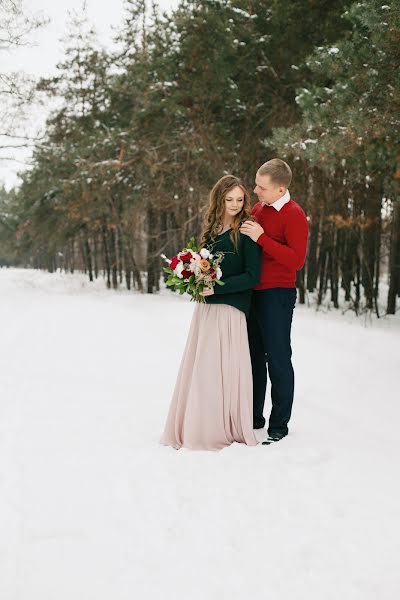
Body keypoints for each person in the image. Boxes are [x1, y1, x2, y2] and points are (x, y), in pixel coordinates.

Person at [160, 175, 262, 451]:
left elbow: (253, 276)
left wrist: (216, 289)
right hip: (206, 311)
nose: (235, 204)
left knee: (222, 369)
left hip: (231, 310)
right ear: (219, 200)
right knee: (203, 367)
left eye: (240, 199)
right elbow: (206, 267)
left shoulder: (248, 230)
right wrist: (195, 279)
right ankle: (197, 423)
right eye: (229, 199)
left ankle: (221, 425)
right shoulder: (211, 230)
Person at [240, 159, 308, 445]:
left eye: (262, 187)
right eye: (256, 184)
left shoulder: (294, 215)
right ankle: (255, 417)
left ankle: (279, 424)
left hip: (278, 294)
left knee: (278, 359)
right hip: (254, 292)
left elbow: (297, 260)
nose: (255, 191)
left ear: (280, 189)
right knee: (253, 357)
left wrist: (262, 238)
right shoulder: (259, 209)